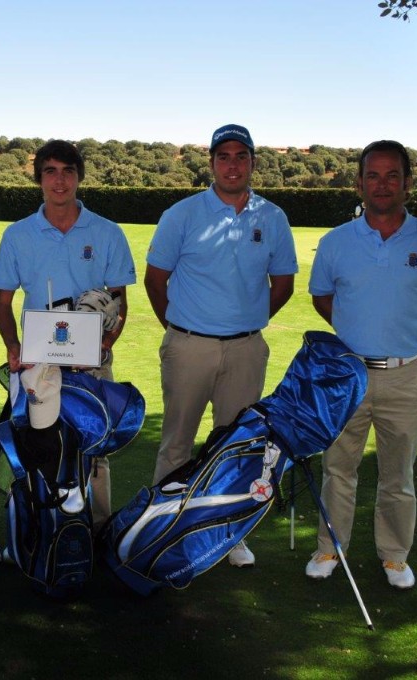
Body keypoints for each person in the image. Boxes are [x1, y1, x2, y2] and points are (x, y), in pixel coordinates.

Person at [305, 140, 417, 589]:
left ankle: (394, 556)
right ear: (359, 183)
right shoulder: (336, 242)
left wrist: (414, 333)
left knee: (398, 475)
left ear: (408, 183)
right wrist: (357, 332)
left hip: (408, 375)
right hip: (347, 374)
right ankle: (330, 547)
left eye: (393, 175)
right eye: (373, 175)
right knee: (338, 469)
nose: (382, 184)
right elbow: (322, 297)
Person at [144, 124, 298, 567]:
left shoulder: (272, 217)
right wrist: (177, 327)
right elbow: (157, 280)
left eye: (241, 156)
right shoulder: (183, 214)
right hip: (189, 346)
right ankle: (164, 527)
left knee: (237, 446)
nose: (233, 164)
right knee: (177, 442)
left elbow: (283, 283)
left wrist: (248, 320)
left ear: (252, 162)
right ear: (211, 163)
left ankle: (229, 534)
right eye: (224, 156)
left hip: (246, 349)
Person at [0, 139, 136, 531]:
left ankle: (98, 531)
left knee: (94, 448)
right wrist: (13, 345)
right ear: (39, 178)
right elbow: (2, 305)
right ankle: (34, 531)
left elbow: (120, 303)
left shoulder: (107, 232)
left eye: (68, 171)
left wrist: (105, 345)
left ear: (79, 177)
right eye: (51, 171)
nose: (60, 180)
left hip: (91, 363)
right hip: (38, 361)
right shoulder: (19, 235)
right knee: (33, 445)